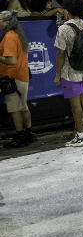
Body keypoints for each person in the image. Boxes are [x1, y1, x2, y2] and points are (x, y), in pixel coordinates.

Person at [53, 0, 83, 147]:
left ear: (67, 10)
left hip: (70, 72)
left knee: (75, 104)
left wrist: (58, 74)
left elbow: (60, 53)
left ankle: (80, 136)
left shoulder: (64, 29)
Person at [0, 11, 34, 148]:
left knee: (15, 109)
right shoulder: (16, 34)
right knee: (23, 107)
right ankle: (28, 133)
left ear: (6, 22)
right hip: (21, 75)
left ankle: (20, 136)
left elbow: (11, 60)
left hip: (12, 77)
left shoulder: (8, 37)